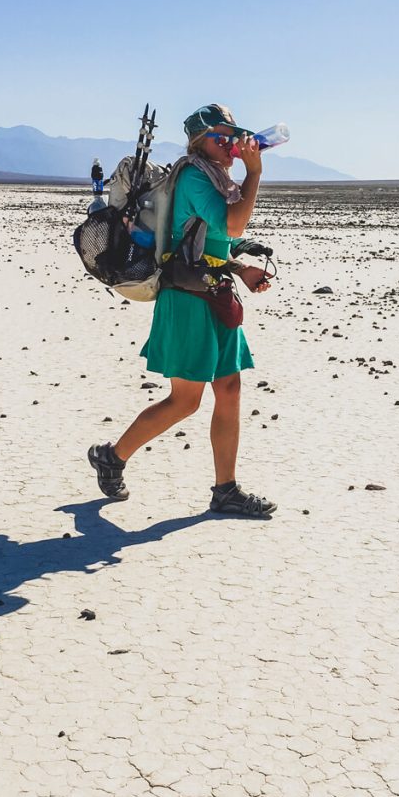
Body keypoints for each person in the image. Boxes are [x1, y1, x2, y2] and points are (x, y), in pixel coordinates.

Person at [88, 104, 277, 518]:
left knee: (229, 390)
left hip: (214, 293)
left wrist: (240, 267)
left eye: (233, 136)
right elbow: (233, 226)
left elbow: (211, 244)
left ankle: (225, 490)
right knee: (186, 400)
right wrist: (255, 173)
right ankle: (112, 456)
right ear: (199, 142)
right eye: (221, 137)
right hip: (189, 300)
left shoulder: (215, 178)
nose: (230, 144)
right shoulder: (194, 176)